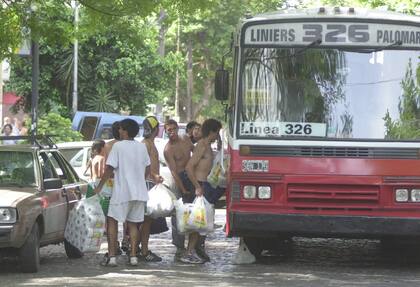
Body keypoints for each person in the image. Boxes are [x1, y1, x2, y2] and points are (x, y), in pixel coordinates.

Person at [94, 118, 151, 267]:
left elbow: (109, 168)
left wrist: (100, 186)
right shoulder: (141, 147)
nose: (118, 131)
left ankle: (112, 257)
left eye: (120, 129)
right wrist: (138, 180)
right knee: (133, 225)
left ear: (125, 131)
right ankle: (133, 256)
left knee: (112, 221)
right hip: (139, 193)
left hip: (122, 192)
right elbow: (148, 169)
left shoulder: (118, 147)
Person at [182, 118, 224, 264]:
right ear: (211, 131)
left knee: (200, 223)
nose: (217, 135)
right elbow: (189, 167)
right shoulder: (202, 145)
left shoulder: (208, 146)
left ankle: (192, 251)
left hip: (205, 184)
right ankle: (188, 253)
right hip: (199, 185)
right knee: (196, 223)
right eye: (216, 132)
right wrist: (197, 186)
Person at [163, 119, 194, 259]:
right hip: (178, 179)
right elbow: (174, 172)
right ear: (166, 131)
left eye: (174, 129)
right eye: (169, 130)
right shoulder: (168, 149)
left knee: (196, 211)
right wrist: (182, 188)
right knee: (178, 213)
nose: (172, 132)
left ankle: (196, 245)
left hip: (191, 177)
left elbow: (196, 153)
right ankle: (179, 247)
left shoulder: (186, 139)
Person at [138, 116, 164, 262]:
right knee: (145, 220)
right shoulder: (145, 144)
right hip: (146, 184)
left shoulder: (151, 144)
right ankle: (142, 250)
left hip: (151, 183)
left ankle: (141, 249)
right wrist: (154, 175)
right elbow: (142, 166)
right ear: (156, 130)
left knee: (146, 220)